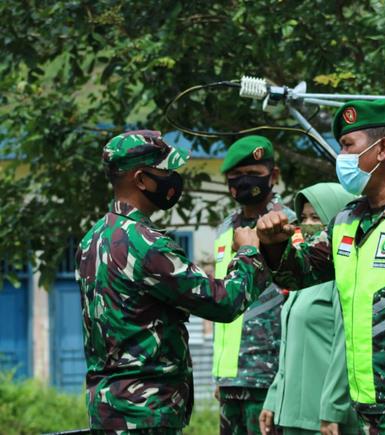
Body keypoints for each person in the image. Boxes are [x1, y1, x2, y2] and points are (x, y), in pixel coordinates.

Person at [256, 99, 385, 434]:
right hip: (362, 412)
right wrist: (273, 242)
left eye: (348, 146)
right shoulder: (346, 220)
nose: (341, 158)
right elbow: (297, 272)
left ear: (381, 149)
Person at [75, 130, 266, 434]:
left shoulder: (92, 239)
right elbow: (223, 302)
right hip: (146, 412)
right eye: (165, 171)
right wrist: (249, 252)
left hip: (108, 408)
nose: (173, 179)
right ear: (141, 179)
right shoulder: (147, 245)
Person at [212, 135, 296, 435]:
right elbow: (224, 298)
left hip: (270, 377)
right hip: (231, 377)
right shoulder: (225, 229)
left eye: (253, 174)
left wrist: (282, 380)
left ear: (273, 176)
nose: (243, 182)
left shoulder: (288, 224)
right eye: (235, 177)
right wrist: (221, 377)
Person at [259, 182, 359, 435]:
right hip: (294, 416)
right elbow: (288, 348)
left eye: (316, 217)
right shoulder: (302, 281)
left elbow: (345, 348)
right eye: (303, 217)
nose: (307, 224)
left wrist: (332, 410)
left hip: (326, 420)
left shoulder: (344, 276)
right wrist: (274, 398)